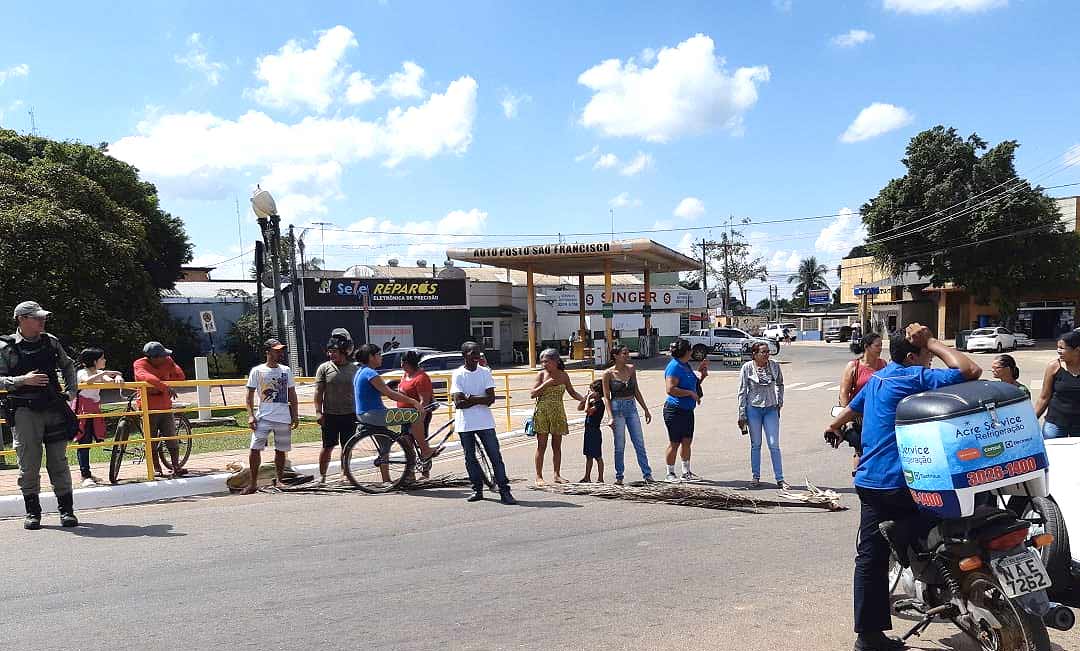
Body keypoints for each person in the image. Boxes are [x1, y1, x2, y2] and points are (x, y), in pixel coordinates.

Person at [826, 323, 981, 651]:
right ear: (912, 357)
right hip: (903, 481)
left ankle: (868, 637)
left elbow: (854, 407)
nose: (931, 359)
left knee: (870, 560)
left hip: (870, 481)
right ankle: (918, 548)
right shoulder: (913, 377)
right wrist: (933, 340)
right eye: (926, 354)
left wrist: (834, 426)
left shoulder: (879, 378)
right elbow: (971, 370)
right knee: (957, 521)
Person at [0, 301, 80, 529]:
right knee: (29, 464)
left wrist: (71, 392)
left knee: (59, 462)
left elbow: (68, 365)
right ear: (21, 319)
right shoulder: (5, 347)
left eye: (42, 317)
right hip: (24, 412)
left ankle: (67, 511)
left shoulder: (51, 341)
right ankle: (33, 513)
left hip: (54, 408)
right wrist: (22, 380)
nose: (42, 321)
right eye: (36, 317)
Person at [450, 342, 515, 504]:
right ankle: (477, 489)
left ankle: (504, 491)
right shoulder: (458, 374)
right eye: (472, 353)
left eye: (478, 353)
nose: (476, 356)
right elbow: (458, 403)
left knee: (495, 457)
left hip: (485, 423)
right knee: (470, 458)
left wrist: (470, 398)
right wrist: (480, 399)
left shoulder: (485, 372)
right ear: (464, 355)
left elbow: (491, 399)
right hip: (465, 424)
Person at [353, 343, 421, 482]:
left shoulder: (360, 371)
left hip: (364, 414)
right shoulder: (370, 373)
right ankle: (424, 449)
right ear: (371, 357)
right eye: (378, 354)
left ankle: (386, 480)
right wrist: (414, 402)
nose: (381, 357)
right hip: (375, 415)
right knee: (415, 414)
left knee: (385, 446)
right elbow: (389, 393)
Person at [242, 339, 299, 494]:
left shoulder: (286, 370)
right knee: (255, 448)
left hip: (283, 417)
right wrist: (250, 415)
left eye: (281, 351)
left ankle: (279, 480)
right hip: (263, 417)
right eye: (276, 350)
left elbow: (292, 393)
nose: (280, 353)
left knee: (281, 450)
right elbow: (249, 395)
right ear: (268, 352)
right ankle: (253, 483)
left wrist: (295, 414)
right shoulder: (257, 371)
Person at [530, 348, 586, 486]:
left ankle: (557, 474)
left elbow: (572, 392)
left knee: (557, 446)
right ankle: (539, 476)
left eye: (547, 362)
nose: (544, 364)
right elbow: (533, 394)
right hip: (543, 413)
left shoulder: (563, 375)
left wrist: (584, 400)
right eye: (542, 362)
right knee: (541, 446)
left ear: (556, 361)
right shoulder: (541, 375)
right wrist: (546, 384)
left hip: (558, 412)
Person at [737, 341, 787, 489]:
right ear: (755, 354)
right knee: (756, 444)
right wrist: (742, 413)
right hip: (754, 409)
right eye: (763, 352)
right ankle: (756, 476)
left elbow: (780, 384)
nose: (766, 354)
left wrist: (779, 402)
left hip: (771, 408)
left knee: (773, 444)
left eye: (767, 352)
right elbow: (742, 391)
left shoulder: (774, 366)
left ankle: (780, 479)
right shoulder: (747, 368)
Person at [602, 343, 654, 485]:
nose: (627, 356)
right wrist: (610, 417)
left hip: (631, 407)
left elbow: (636, 390)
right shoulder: (608, 374)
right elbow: (607, 397)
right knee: (620, 445)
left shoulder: (631, 369)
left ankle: (647, 475)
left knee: (639, 442)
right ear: (616, 356)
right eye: (624, 353)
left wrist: (645, 409)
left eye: (627, 353)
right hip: (617, 408)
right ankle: (619, 476)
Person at [133, 341, 187, 478]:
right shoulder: (139, 364)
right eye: (162, 355)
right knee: (151, 440)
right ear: (153, 357)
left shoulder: (167, 361)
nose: (166, 357)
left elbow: (180, 376)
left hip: (165, 407)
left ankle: (176, 466)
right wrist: (164, 386)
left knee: (171, 437)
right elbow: (146, 377)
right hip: (148, 408)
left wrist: (171, 370)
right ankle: (156, 468)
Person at [73, 347, 123, 486]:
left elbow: (111, 379)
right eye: (102, 358)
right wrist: (105, 373)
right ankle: (85, 475)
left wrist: (118, 377)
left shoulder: (100, 373)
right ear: (94, 361)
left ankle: (87, 473)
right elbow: (87, 381)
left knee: (90, 441)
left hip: (94, 409)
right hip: (83, 410)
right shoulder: (82, 372)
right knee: (84, 442)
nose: (104, 360)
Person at [839, 333, 887, 477]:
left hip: (878, 416)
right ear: (867, 347)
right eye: (877, 345)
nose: (880, 348)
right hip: (858, 416)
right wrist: (847, 418)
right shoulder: (853, 366)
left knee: (878, 449)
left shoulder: (883, 364)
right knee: (860, 449)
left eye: (881, 345)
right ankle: (859, 478)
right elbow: (844, 393)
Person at [313, 336, 357, 485]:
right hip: (330, 415)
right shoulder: (324, 368)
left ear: (343, 352)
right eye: (329, 351)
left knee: (347, 447)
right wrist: (318, 412)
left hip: (349, 414)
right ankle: (322, 476)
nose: (331, 354)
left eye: (334, 351)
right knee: (327, 447)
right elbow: (318, 392)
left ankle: (345, 474)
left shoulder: (354, 369)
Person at [663, 338, 708, 482]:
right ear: (685, 352)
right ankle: (670, 473)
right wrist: (690, 394)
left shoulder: (686, 365)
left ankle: (686, 472)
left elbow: (693, 385)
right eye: (690, 349)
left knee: (687, 441)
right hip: (674, 410)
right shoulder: (674, 366)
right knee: (675, 442)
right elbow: (670, 389)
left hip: (687, 410)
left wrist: (702, 375)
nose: (692, 351)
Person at [398, 349, 438, 473]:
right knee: (407, 444)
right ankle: (410, 473)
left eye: (403, 362)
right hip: (405, 415)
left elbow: (424, 401)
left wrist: (418, 418)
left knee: (422, 442)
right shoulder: (405, 375)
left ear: (408, 363)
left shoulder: (421, 378)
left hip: (418, 415)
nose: (401, 365)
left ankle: (425, 472)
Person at [1035, 330, 1080, 438]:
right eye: (1058, 347)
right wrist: (1031, 420)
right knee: (1052, 448)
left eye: (1062, 348)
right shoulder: (1053, 367)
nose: (1058, 351)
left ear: (1077, 350)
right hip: (1055, 423)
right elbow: (1044, 397)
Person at [577, 379, 605, 482]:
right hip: (588, 431)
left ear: (597, 393)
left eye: (592, 391)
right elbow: (579, 408)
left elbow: (587, 410)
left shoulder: (599, 404)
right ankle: (587, 477)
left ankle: (600, 478)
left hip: (595, 432)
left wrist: (589, 398)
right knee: (588, 456)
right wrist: (585, 399)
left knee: (597, 456)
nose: (590, 392)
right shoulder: (592, 402)